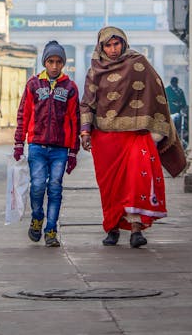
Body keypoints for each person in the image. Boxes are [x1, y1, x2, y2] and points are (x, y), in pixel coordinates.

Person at [80, 26, 181, 249]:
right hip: (105, 138)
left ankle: (136, 230)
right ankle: (112, 227)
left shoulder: (138, 63)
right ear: (101, 47)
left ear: (124, 43)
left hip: (135, 136)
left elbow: (156, 92)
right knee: (110, 186)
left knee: (136, 181)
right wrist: (85, 131)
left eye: (117, 44)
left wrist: (153, 129)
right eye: (108, 45)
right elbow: (87, 102)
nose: (113, 49)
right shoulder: (95, 70)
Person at [13, 40, 80, 248]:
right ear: (44, 62)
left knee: (55, 188)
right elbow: (24, 113)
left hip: (60, 149)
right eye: (50, 61)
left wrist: (73, 152)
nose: (54, 66)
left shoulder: (70, 87)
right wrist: (18, 142)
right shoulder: (33, 84)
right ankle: (37, 217)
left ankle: (51, 230)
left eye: (58, 62)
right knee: (38, 186)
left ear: (63, 64)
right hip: (37, 146)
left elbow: (75, 119)